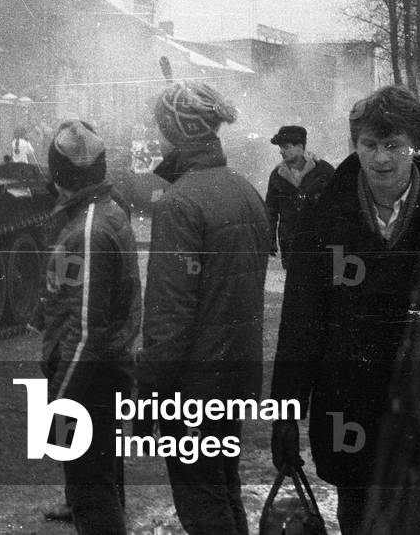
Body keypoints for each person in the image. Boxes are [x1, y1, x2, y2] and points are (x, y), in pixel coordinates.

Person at [270, 85, 420, 535]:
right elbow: (301, 323)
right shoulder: (325, 217)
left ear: (414, 146)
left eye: (393, 145)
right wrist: (285, 412)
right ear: (354, 145)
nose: (381, 159)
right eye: (369, 145)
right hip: (349, 408)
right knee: (358, 520)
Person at [137, 79, 269, 535]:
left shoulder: (179, 203)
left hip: (194, 387)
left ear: (173, 133)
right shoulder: (245, 190)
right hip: (235, 375)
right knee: (224, 489)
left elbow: (169, 316)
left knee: (202, 503)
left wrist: (149, 397)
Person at [38, 119, 142, 535]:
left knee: (91, 490)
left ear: (59, 175)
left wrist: (59, 402)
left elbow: (85, 333)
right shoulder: (104, 211)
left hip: (88, 378)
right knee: (101, 470)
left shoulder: (86, 230)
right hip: (108, 368)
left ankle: (91, 511)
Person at [265, 125, 335, 269]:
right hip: (290, 246)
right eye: (280, 147)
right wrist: (269, 238)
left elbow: (339, 206)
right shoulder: (277, 175)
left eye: (286, 146)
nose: (281, 151)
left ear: (300, 147)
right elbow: (270, 211)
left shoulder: (324, 171)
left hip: (321, 244)